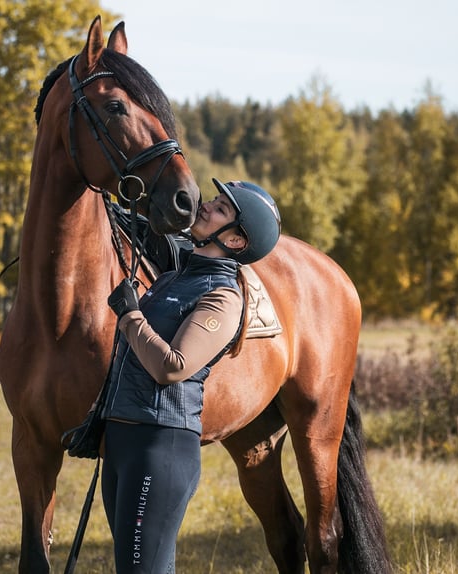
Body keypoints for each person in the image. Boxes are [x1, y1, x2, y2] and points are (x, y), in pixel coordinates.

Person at [101, 178, 282, 573]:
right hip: (124, 442)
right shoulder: (174, 278)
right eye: (214, 200)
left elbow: (173, 366)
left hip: (159, 446)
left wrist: (131, 315)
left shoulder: (224, 295)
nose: (206, 206)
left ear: (235, 240)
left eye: (220, 209)